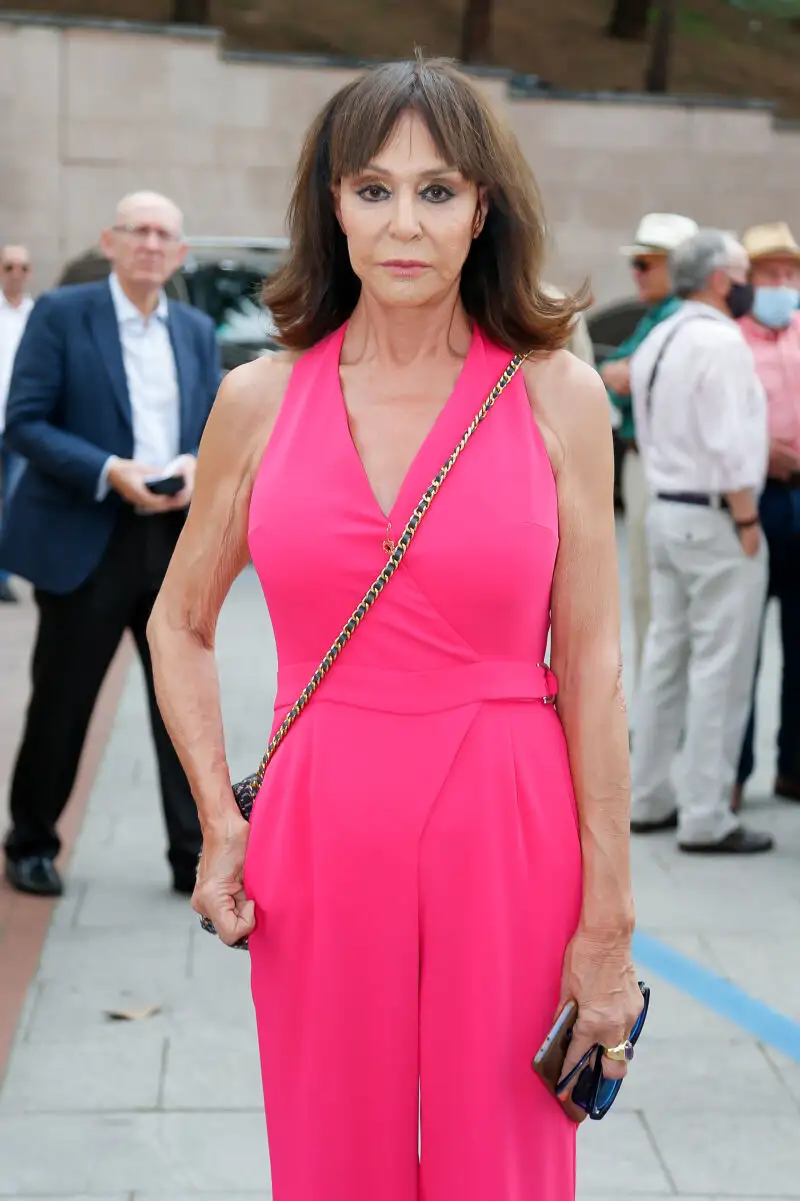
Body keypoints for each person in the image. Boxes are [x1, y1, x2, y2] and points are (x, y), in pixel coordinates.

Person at [147, 59, 643, 1201]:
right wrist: (221, 819)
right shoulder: (259, 400)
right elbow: (180, 624)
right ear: (330, 203)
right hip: (317, 825)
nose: (403, 223)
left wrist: (608, 916)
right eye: (372, 189)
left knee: (502, 1162)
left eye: (436, 191)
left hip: (509, 819)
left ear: (483, 209)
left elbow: (596, 666)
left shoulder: (554, 392)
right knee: (330, 1159)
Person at [0, 191, 221, 898]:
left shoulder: (193, 327)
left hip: (173, 537)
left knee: (181, 703)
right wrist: (109, 470)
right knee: (62, 701)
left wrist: (194, 461)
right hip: (87, 538)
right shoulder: (63, 316)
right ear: (112, 241)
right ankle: (31, 842)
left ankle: (192, 851)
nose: (152, 244)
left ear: (179, 253)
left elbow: (215, 419)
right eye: (139, 231)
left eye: (165, 234)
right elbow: (24, 422)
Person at [628, 230, 772, 854]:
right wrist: (746, 518)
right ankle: (706, 814)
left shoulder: (662, 334)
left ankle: (648, 795)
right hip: (715, 518)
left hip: (667, 510)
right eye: (743, 273)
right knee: (721, 667)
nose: (751, 286)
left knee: (666, 658)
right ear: (719, 279)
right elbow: (728, 442)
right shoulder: (720, 342)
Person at [599, 212, 698, 678]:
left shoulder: (686, 323)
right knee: (646, 595)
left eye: (646, 263)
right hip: (648, 467)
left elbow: (624, 375)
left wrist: (627, 375)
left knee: (669, 601)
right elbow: (615, 372)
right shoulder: (657, 317)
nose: (636, 272)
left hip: (672, 473)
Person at [734, 221, 800, 810]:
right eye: (770, 274)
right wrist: (760, 453)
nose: (782, 284)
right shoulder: (731, 340)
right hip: (753, 498)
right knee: (742, 642)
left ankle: (794, 767)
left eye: (789, 274)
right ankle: (735, 769)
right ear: (749, 281)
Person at [0, 244, 34, 603]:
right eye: (10, 266)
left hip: (19, 426)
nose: (16, 274)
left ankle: (2, 577)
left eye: (23, 268)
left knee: (13, 501)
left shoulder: (36, 315)